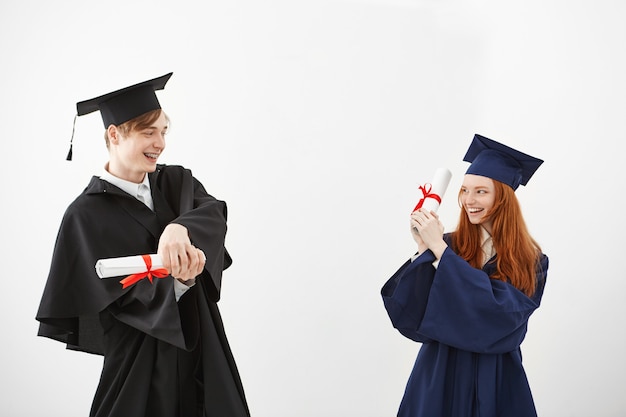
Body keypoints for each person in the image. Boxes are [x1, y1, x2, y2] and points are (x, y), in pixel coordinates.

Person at [36, 73, 250, 417]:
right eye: (148, 132)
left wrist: (180, 228)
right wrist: (178, 280)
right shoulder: (85, 214)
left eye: (164, 131)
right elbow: (114, 299)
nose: (160, 143)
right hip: (139, 362)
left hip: (203, 349)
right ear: (115, 134)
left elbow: (213, 213)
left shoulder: (176, 182)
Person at [381, 134, 549, 417]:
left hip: (497, 378)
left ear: (503, 198)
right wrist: (424, 251)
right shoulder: (448, 244)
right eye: (464, 190)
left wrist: (439, 253)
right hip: (439, 374)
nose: (468, 200)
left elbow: (499, 317)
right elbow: (412, 317)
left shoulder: (532, 262)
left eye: (481, 191)